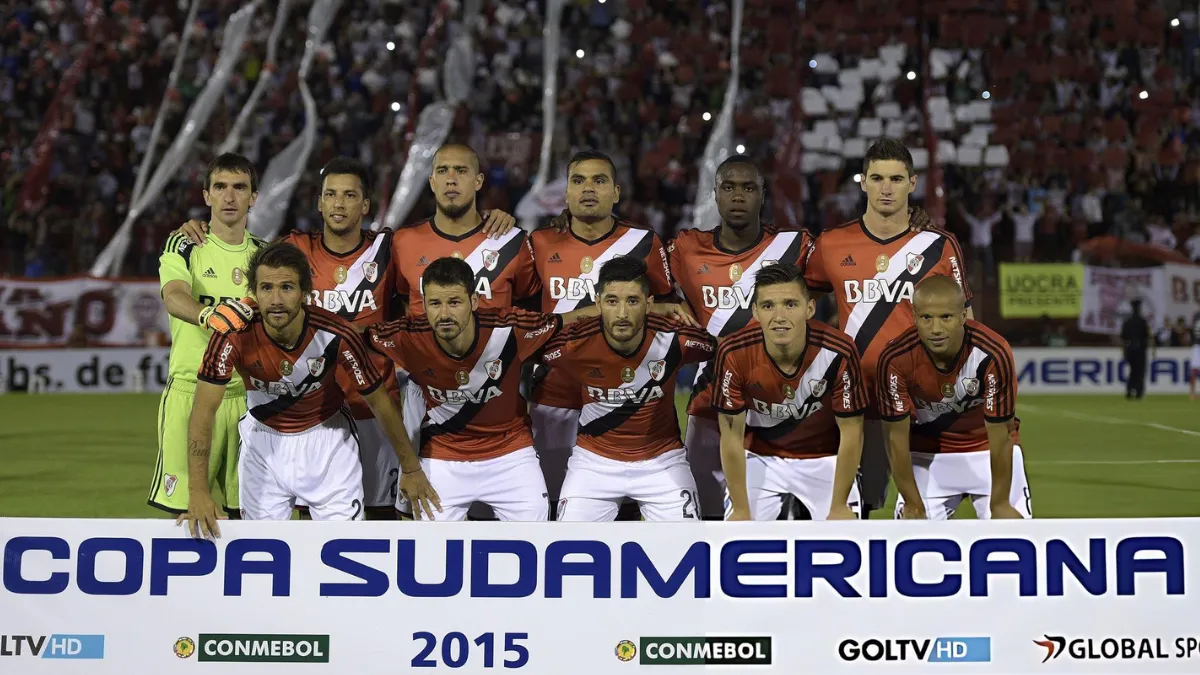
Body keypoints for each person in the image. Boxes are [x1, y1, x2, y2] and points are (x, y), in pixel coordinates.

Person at [172, 156, 518, 519]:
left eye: (350, 195)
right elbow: (255, 262)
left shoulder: (389, 249)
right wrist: (202, 227)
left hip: (376, 408)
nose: (339, 204)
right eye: (331, 195)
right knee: (310, 520)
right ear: (319, 202)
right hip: (312, 412)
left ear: (365, 205)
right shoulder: (295, 247)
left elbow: (439, 269)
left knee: (384, 517)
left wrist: (492, 222)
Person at [180, 243, 438, 538]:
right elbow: (203, 411)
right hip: (263, 445)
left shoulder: (335, 333)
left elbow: (380, 404)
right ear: (254, 292)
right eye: (266, 288)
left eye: (287, 288)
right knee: (261, 550)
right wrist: (198, 490)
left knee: (343, 544)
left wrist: (411, 468)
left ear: (305, 293)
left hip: (328, 442)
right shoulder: (233, 333)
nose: (276, 300)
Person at [804, 138, 972, 519]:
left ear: (912, 184)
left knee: (926, 508)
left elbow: (969, 321)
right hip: (859, 400)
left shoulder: (938, 245)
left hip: (927, 399)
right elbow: (799, 307)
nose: (886, 188)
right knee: (861, 505)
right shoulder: (831, 243)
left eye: (896, 179)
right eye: (877, 177)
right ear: (862, 182)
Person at [366, 257, 584, 521]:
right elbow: (347, 337)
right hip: (443, 455)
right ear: (423, 305)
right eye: (435, 303)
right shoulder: (408, 335)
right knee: (430, 550)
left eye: (454, 302)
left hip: (511, 454)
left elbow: (568, 320)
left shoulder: (510, 328)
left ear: (474, 301)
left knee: (534, 535)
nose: (444, 314)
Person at [526, 150, 676, 518]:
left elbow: (666, 308)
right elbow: (526, 314)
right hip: (554, 391)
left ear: (616, 193)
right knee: (557, 501)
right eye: (578, 181)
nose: (587, 189)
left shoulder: (645, 243)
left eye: (599, 181)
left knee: (623, 494)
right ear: (566, 194)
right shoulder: (541, 243)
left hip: (624, 390)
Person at [669, 155, 815, 519]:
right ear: (715, 194)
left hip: (776, 410)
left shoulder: (794, 248)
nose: (738, 196)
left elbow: (850, 266)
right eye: (729, 187)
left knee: (776, 524)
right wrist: (663, 306)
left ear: (762, 195)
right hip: (709, 404)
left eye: (748, 188)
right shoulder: (686, 248)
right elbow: (636, 280)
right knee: (706, 518)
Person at [539, 257, 717, 521]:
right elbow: (516, 351)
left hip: (663, 460)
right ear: (597, 304)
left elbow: (725, 350)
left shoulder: (678, 338)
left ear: (649, 304)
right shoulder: (572, 344)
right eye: (612, 301)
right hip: (593, 463)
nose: (622, 313)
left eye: (632, 301)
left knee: (688, 544)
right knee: (569, 547)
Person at [149, 153, 265, 517]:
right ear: (206, 196)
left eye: (239, 188)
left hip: (250, 400)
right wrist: (210, 314)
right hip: (190, 392)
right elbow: (174, 296)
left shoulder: (264, 256)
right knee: (184, 516)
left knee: (248, 517)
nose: (229, 197)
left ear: (253, 197)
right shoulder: (184, 245)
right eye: (220, 187)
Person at [713, 263, 867, 521]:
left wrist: (839, 505)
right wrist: (741, 509)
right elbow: (730, 436)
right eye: (768, 306)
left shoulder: (839, 350)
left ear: (810, 309)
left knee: (846, 540)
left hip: (825, 459)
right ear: (755, 311)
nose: (779, 316)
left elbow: (852, 431)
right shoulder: (734, 352)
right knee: (738, 540)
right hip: (761, 458)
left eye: (790, 304)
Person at [877, 275, 1030, 520]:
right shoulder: (895, 359)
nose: (936, 329)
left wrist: (1000, 503)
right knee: (911, 542)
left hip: (987, 452)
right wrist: (912, 501)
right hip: (927, 457)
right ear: (914, 316)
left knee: (1012, 540)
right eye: (926, 318)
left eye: (946, 317)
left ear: (962, 316)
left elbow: (1001, 435)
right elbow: (895, 438)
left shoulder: (992, 353)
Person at [1120, 299, 1151, 400]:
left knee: (1132, 371)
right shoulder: (1142, 322)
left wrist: (1124, 351)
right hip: (1140, 348)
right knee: (1140, 371)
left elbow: (1123, 337)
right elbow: (1146, 336)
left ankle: (1129, 391)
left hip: (1130, 348)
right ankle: (1139, 392)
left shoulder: (1127, 321)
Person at [1191, 312, 1200, 401]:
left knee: (1194, 370)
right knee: (1194, 370)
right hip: (1197, 345)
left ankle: (1192, 393)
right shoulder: (1196, 315)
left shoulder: (1196, 315)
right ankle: (1192, 393)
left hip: (1196, 345)